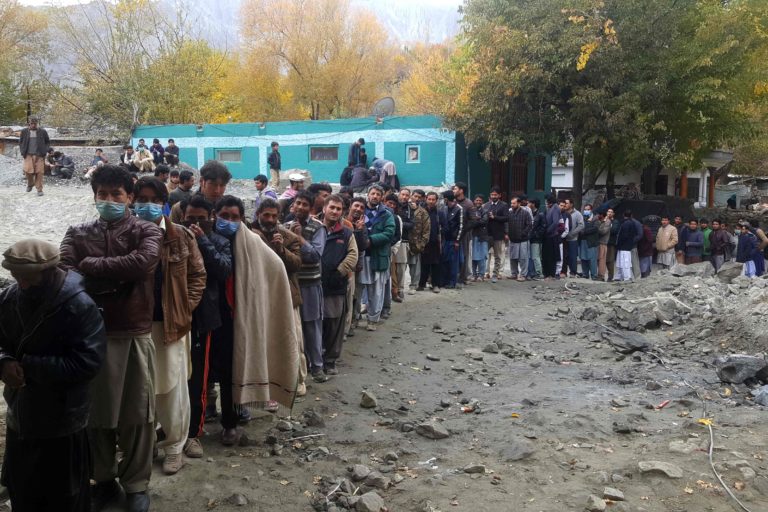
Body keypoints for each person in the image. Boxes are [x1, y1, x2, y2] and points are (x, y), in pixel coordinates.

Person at [59, 165, 163, 512]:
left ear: (129, 197)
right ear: (94, 197)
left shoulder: (146, 230)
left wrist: (92, 266)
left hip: (133, 332)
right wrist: (106, 271)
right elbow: (65, 273)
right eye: (102, 194)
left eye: (116, 194)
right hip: (90, 336)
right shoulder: (76, 232)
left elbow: (143, 263)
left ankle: (136, 485)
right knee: (96, 415)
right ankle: (103, 480)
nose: (109, 200)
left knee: (138, 414)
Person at [0, 239, 106, 512]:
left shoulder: (80, 306)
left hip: (63, 420)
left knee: (64, 497)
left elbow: (88, 363)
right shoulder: (10, 298)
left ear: (48, 271)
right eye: (16, 276)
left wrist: (29, 367)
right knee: (22, 489)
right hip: (20, 413)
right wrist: (4, 362)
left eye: (27, 277)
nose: (21, 283)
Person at [133, 177, 206, 475]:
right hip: (133, 328)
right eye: (141, 198)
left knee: (172, 390)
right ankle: (145, 443)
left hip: (170, 328)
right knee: (140, 389)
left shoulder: (182, 236)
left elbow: (197, 277)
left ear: (164, 202)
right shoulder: (126, 234)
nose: (147, 205)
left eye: (153, 199)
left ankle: (174, 446)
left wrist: (182, 308)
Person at [214, 195, 299, 428]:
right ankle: (210, 413)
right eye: (224, 216)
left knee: (235, 368)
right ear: (215, 215)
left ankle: (231, 422)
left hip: (241, 316)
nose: (229, 221)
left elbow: (276, 267)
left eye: (234, 217)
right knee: (214, 370)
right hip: (212, 314)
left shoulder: (252, 241)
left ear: (242, 218)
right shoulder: (207, 238)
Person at [179, 195, 231, 459]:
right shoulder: (173, 238)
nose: (195, 222)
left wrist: (202, 240)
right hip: (175, 317)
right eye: (190, 218)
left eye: (201, 218)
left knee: (197, 379)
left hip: (204, 318)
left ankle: (193, 434)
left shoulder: (220, 242)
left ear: (211, 218)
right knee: (173, 378)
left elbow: (223, 271)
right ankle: (170, 429)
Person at [251, 198, 306, 395]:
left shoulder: (288, 237)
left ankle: (298, 381)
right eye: (266, 215)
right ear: (258, 214)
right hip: (259, 297)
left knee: (293, 340)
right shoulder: (249, 234)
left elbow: (297, 264)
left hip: (287, 296)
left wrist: (281, 249)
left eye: (274, 216)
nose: (270, 219)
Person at [285, 191, 328, 381]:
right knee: (293, 328)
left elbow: (315, 256)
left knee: (312, 326)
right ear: (293, 204)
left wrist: (299, 238)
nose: (300, 207)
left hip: (310, 284)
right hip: (291, 284)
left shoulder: (318, 228)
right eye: (298, 203)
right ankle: (296, 368)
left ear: (310, 208)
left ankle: (317, 367)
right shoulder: (284, 226)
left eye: (304, 204)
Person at [320, 195, 358, 375]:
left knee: (334, 323)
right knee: (314, 323)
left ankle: (330, 360)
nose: (335, 211)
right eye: (332, 207)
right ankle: (316, 359)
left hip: (336, 285)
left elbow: (353, 255)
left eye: (338, 209)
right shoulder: (314, 229)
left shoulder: (346, 233)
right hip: (313, 285)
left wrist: (339, 272)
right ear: (324, 209)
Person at [360, 185, 395, 330]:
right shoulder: (359, 210)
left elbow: (389, 233)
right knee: (358, 289)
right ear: (368, 195)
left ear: (382, 197)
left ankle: (372, 320)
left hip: (377, 256)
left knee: (376, 290)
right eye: (372, 193)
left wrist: (371, 240)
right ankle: (355, 319)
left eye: (378, 194)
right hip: (360, 256)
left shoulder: (386, 214)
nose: (374, 196)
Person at [345, 197, 370, 336]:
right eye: (356, 206)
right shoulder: (342, 222)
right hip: (340, 265)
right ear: (350, 206)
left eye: (361, 207)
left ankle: (352, 322)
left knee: (354, 296)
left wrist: (359, 230)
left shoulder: (362, 226)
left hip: (354, 268)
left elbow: (363, 245)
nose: (358, 209)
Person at [399, 188, 429, 294]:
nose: (416, 199)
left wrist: (422, 244)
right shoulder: (403, 208)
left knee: (415, 267)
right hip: (403, 241)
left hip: (416, 243)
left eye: (419, 197)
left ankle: (413, 286)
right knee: (401, 267)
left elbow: (426, 230)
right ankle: (399, 288)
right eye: (414, 196)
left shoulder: (422, 212)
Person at [19, 116, 50, 196]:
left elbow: (47, 142)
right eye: (32, 123)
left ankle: (39, 189)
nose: (33, 125)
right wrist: (23, 151)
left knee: (39, 172)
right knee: (27, 171)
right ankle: (30, 183)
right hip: (28, 155)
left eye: (35, 124)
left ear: (37, 124)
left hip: (39, 155)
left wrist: (45, 150)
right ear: (29, 124)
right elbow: (21, 142)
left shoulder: (42, 131)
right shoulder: (24, 131)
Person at [384, 193, 407, 303]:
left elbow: (398, 235)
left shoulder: (397, 218)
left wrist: (391, 248)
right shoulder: (379, 215)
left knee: (393, 274)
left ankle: (395, 293)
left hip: (390, 249)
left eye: (394, 204)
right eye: (389, 203)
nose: (391, 206)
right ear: (385, 202)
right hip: (379, 249)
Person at [484, 187, 509, 283]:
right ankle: (483, 273)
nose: (493, 196)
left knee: (497, 256)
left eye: (495, 195)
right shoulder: (486, 205)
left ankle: (495, 274)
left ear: (499, 195)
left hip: (498, 235)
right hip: (487, 234)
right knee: (485, 255)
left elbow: (506, 218)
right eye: (492, 195)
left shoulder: (504, 205)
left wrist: (495, 217)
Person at [418, 191, 442, 292]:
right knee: (424, 264)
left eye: (433, 199)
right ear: (426, 199)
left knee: (436, 264)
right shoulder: (421, 211)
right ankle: (421, 284)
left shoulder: (439, 213)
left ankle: (435, 285)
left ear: (436, 201)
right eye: (429, 199)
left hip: (435, 242)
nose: (431, 201)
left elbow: (444, 226)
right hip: (424, 242)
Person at [439, 190, 463, 288]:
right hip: (445, 239)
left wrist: (457, 241)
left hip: (454, 240)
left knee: (453, 262)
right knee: (445, 261)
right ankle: (444, 281)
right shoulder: (444, 208)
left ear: (446, 199)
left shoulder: (459, 209)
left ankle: (452, 282)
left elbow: (461, 226)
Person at [507, 196, 532, 281]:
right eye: (511, 203)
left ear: (519, 203)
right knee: (512, 258)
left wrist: (523, 233)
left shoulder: (525, 213)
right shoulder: (509, 213)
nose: (512, 205)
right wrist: (507, 233)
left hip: (523, 240)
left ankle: (523, 275)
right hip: (512, 239)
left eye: (514, 203)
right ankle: (514, 274)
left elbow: (529, 225)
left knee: (523, 258)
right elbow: (506, 224)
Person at [615, 210, 638, 282]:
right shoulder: (632, 223)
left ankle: (626, 277)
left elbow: (623, 236)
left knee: (624, 262)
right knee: (625, 262)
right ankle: (624, 276)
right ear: (631, 215)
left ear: (623, 215)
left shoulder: (625, 224)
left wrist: (619, 244)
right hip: (628, 246)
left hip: (623, 246)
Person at [470, 194, 490, 281]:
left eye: (480, 200)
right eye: (476, 200)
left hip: (482, 236)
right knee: (473, 256)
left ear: (482, 202)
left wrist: (476, 220)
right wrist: (477, 219)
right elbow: (470, 221)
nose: (478, 202)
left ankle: (481, 275)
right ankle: (474, 274)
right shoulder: (471, 210)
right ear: (474, 201)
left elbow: (484, 221)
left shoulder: (485, 211)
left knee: (482, 256)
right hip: (473, 236)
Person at [542, 195, 561, 279]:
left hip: (552, 235)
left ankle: (551, 274)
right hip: (547, 235)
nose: (546, 203)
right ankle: (546, 273)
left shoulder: (555, 208)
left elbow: (555, 222)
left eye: (547, 201)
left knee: (551, 256)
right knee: (546, 255)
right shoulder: (549, 208)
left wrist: (547, 231)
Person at [563, 199, 583, 277]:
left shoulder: (577, 214)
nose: (565, 205)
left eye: (567, 203)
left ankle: (573, 272)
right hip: (563, 238)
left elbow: (581, 225)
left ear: (571, 204)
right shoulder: (563, 213)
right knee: (564, 256)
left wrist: (572, 234)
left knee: (572, 256)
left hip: (572, 239)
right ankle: (563, 272)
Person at [579, 205, 599, 279]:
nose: (586, 211)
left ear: (591, 210)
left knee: (592, 259)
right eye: (585, 209)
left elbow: (595, 228)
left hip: (591, 241)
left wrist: (584, 231)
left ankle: (594, 275)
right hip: (583, 240)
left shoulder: (596, 218)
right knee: (583, 258)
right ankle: (585, 274)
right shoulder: (582, 218)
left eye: (588, 209)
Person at [596, 212, 611, 280]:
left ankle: (601, 276)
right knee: (597, 259)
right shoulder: (599, 221)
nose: (598, 216)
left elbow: (603, 231)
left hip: (603, 242)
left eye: (599, 214)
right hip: (597, 242)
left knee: (602, 260)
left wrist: (598, 226)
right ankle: (598, 274)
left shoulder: (607, 222)